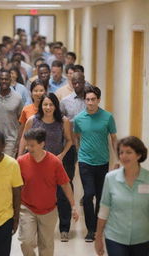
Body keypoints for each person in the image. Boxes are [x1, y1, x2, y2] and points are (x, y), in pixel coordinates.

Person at [18, 128, 78, 256]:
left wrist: (73, 206)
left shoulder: (54, 162)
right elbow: (15, 186)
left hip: (49, 210)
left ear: (42, 144)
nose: (29, 148)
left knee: (46, 247)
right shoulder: (21, 161)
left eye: (32, 145)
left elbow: (65, 184)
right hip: (27, 208)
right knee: (26, 242)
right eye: (27, 145)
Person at [74, 85, 117, 242]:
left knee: (100, 197)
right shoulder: (79, 119)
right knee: (88, 195)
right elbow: (76, 136)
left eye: (93, 100)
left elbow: (113, 138)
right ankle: (90, 229)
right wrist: (80, 153)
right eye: (87, 100)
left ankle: (99, 228)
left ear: (98, 100)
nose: (90, 103)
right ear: (84, 100)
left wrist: (118, 159)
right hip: (85, 161)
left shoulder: (108, 117)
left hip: (103, 161)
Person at [95, 136, 149, 256]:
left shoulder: (148, 179)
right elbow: (104, 210)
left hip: (143, 238)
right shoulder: (110, 178)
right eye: (121, 153)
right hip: (115, 237)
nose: (124, 156)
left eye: (129, 152)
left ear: (139, 155)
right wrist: (98, 237)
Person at [58, 72, 87, 241]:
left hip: (87, 143)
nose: (77, 85)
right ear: (71, 82)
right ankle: (64, 224)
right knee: (66, 180)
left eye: (79, 82)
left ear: (84, 81)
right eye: (74, 82)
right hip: (70, 144)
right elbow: (61, 122)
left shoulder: (90, 98)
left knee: (79, 177)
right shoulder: (65, 102)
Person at [0, 69, 23, 157]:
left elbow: (21, 121)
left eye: (6, 79)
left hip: (11, 140)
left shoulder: (18, 98)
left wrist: (19, 141)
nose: (4, 81)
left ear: (10, 80)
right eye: (2, 79)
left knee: (7, 166)